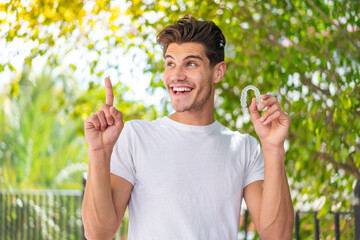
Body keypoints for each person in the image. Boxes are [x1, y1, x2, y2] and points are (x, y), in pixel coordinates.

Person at [82, 15, 294, 240]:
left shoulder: (244, 148)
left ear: (218, 72)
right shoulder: (136, 137)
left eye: (191, 63)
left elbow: (277, 236)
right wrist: (99, 152)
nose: (176, 75)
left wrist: (273, 148)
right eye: (170, 63)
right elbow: (98, 233)